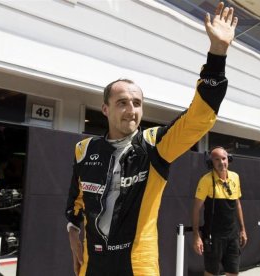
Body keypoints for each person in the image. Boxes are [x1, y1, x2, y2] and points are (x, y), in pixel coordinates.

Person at [65, 2, 238, 275]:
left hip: (138, 263)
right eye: (122, 102)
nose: (131, 110)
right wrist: (73, 230)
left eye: (136, 102)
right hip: (92, 263)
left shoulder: (154, 144)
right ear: (106, 109)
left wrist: (218, 54)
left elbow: (199, 118)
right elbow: (76, 199)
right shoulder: (84, 149)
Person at [192, 147, 247, 276]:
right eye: (217, 159)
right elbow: (196, 209)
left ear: (229, 159)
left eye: (224, 158)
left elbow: (237, 204)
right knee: (211, 273)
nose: (221, 162)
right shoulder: (205, 180)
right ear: (211, 162)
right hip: (213, 236)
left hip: (232, 236)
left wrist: (243, 229)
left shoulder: (235, 177)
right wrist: (196, 236)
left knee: (233, 272)